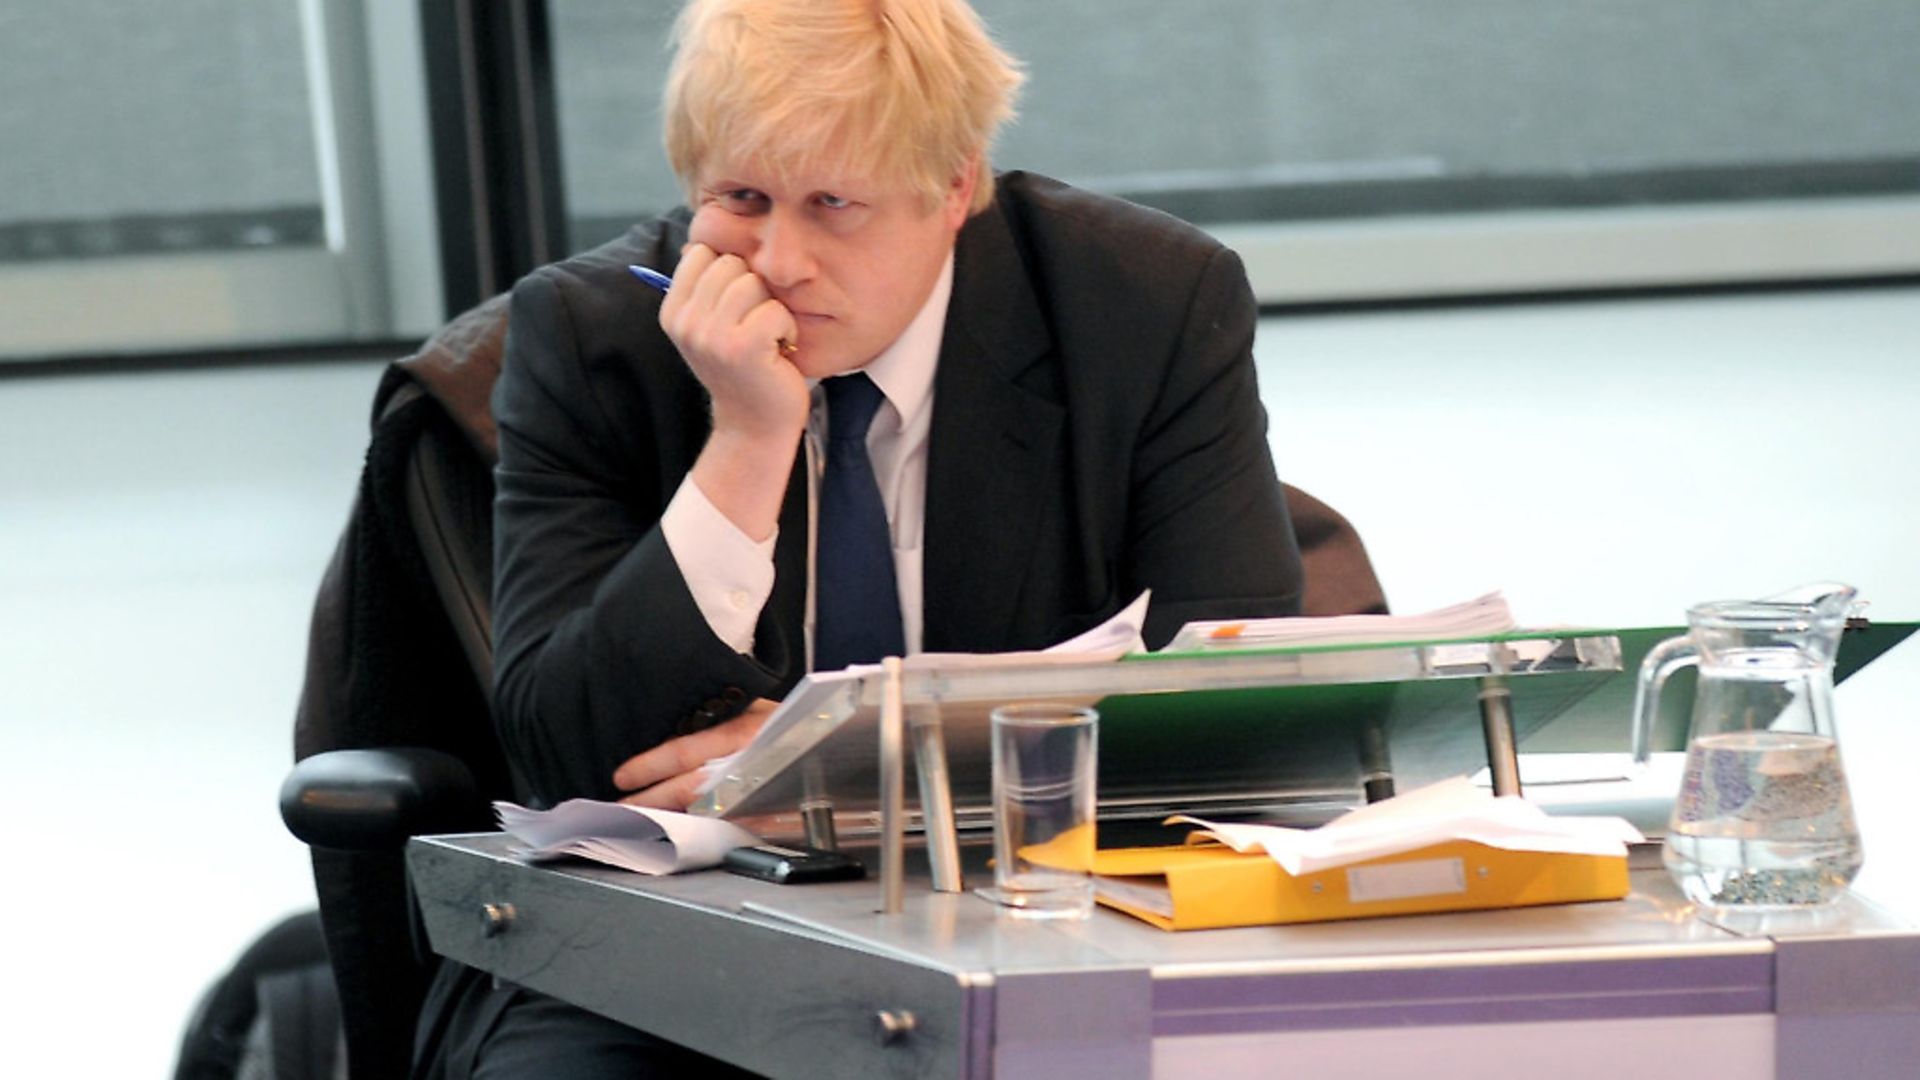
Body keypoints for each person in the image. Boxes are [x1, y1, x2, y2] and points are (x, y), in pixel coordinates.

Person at [418, 0, 1304, 1074]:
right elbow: (567, 753)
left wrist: (838, 767)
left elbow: (1240, 725)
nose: (779, 260)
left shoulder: (1143, 305)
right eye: (741, 199)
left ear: (955, 189)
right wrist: (748, 436)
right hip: (674, 951)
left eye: (835, 203)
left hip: (1042, 920)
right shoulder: (589, 337)